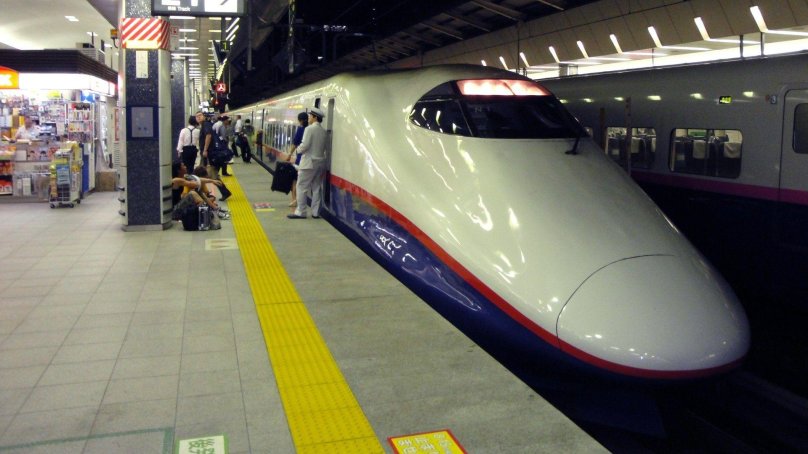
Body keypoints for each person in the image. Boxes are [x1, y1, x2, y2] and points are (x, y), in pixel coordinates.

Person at [288, 107, 328, 219]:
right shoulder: (323, 131)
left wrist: (297, 150)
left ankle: (301, 211)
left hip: (309, 163)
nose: (309, 118)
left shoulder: (309, 129)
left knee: (301, 186)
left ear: (315, 117)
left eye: (311, 116)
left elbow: (304, 146)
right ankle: (315, 213)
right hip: (320, 162)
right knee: (316, 188)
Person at [286, 112, 308, 207]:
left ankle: (295, 200)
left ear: (300, 120)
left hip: (300, 160)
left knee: (295, 181)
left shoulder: (300, 129)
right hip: (309, 160)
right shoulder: (310, 129)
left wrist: (289, 154)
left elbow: (295, 144)